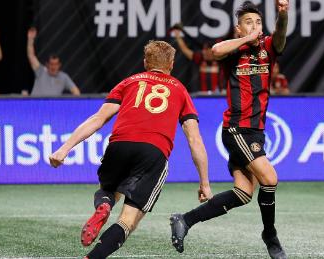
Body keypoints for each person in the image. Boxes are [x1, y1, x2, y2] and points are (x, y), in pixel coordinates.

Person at [49, 40, 212, 259]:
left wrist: (64, 149)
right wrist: (204, 183)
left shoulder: (129, 82)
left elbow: (98, 119)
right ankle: (93, 257)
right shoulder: (180, 90)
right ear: (171, 65)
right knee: (129, 220)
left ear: (145, 62)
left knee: (107, 190)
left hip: (119, 145)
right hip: (153, 152)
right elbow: (195, 140)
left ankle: (104, 204)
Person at [170, 1, 289, 259]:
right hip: (237, 129)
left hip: (256, 132)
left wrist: (283, 14)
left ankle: (185, 220)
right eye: (249, 22)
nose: (255, 26)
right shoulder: (235, 49)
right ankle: (270, 235)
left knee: (244, 193)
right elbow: (215, 50)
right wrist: (245, 39)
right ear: (238, 28)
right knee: (270, 180)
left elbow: (280, 36)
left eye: (258, 22)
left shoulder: (268, 48)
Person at [27, 27, 80, 96]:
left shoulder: (64, 77)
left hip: (52, 106)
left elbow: (76, 92)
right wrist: (30, 39)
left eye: (56, 64)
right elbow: (31, 56)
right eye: (51, 64)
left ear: (59, 65)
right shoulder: (41, 71)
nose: (53, 67)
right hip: (35, 105)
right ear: (47, 64)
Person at [172, 27, 221, 93]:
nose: (207, 54)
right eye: (205, 51)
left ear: (213, 52)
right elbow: (185, 50)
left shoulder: (221, 60)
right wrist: (178, 36)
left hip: (218, 95)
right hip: (201, 95)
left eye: (209, 53)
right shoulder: (200, 58)